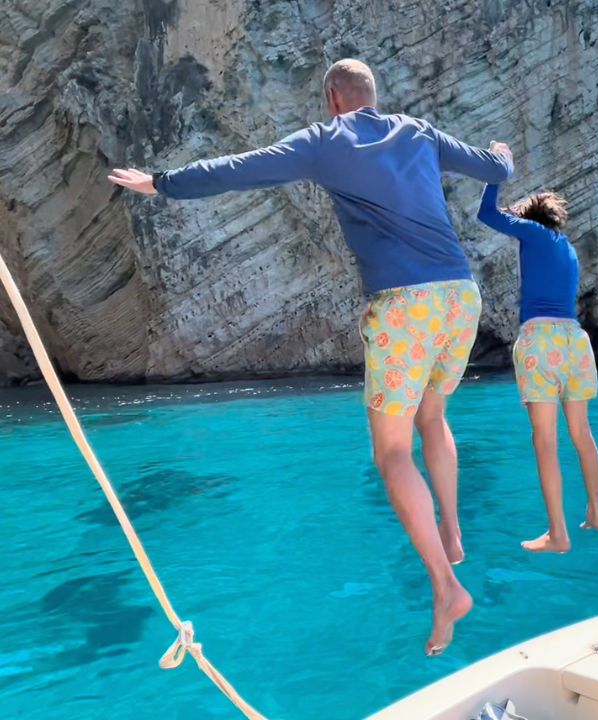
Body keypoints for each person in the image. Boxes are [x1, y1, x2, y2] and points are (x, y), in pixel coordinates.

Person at [108, 59, 513, 655]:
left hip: (403, 307)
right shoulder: (420, 131)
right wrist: (501, 155)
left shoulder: (325, 142)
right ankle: (451, 530)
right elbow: (494, 167)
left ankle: (446, 585)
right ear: (373, 96)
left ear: (331, 99)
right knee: (433, 418)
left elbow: (239, 171)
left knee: (393, 451)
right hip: (460, 296)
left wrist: (162, 182)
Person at [476, 184, 598, 553]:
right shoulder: (568, 249)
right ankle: (595, 513)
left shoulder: (532, 232)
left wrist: (496, 171)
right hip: (576, 342)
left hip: (540, 341)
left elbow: (487, 214)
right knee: (581, 433)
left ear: (529, 219)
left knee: (545, 441)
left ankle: (558, 535)